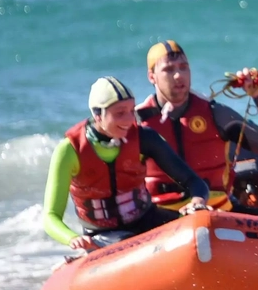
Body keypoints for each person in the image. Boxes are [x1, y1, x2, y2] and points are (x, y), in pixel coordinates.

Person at [43, 77, 211, 252]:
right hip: (102, 236)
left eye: (132, 110)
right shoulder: (70, 151)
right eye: (120, 113)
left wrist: (197, 202)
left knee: (203, 231)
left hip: (148, 220)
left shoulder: (144, 138)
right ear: (97, 115)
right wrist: (73, 238)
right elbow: (50, 216)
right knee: (125, 241)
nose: (130, 120)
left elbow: (194, 182)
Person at [135, 40, 258, 215]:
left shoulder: (215, 114)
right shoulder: (138, 122)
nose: (179, 75)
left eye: (183, 67)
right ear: (152, 76)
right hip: (161, 216)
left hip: (220, 210)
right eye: (169, 69)